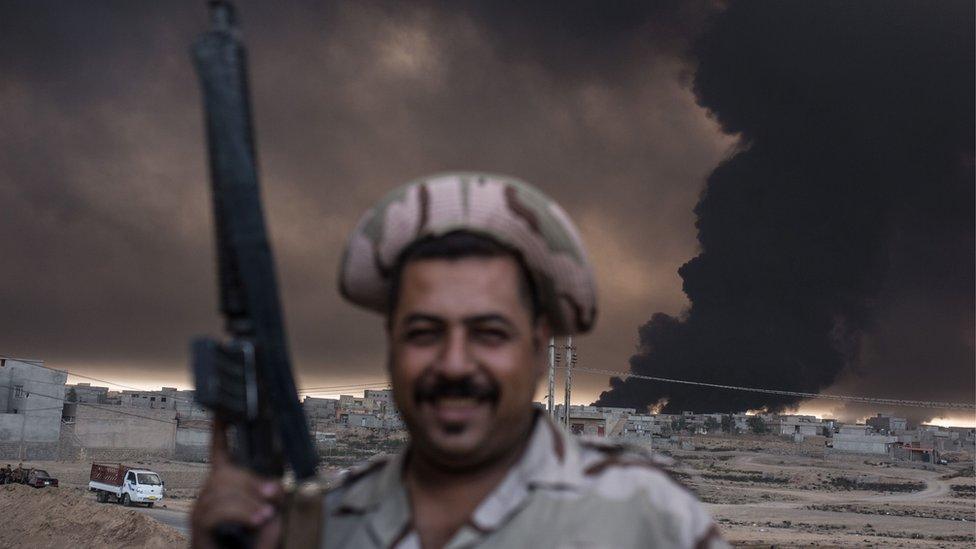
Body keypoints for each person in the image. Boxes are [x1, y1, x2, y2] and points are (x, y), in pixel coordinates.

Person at [192, 173, 726, 548]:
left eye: (489, 333)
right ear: (391, 345)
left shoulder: (649, 520)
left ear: (539, 346)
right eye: (424, 332)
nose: (453, 364)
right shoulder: (327, 525)